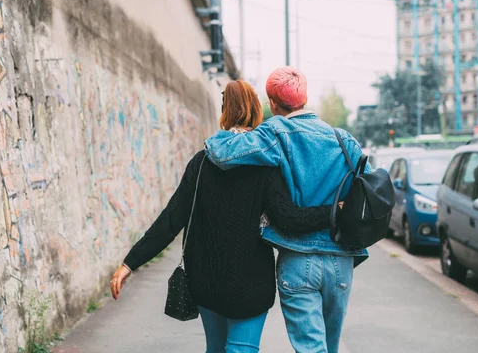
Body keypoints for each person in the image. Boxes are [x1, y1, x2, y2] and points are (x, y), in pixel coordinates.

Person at [110, 79, 336, 353]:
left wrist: (129, 264)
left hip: (206, 279)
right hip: (250, 283)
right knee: (242, 349)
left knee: (215, 349)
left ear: (224, 112)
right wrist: (336, 211)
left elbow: (171, 219)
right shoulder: (267, 166)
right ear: (257, 112)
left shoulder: (202, 162)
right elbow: (288, 219)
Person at [204, 67, 371, 353]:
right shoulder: (344, 140)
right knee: (329, 348)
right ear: (305, 98)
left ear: (272, 103)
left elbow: (223, 154)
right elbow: (369, 190)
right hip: (341, 260)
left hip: (298, 259)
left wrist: (214, 139)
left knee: (310, 349)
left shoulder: (275, 133)